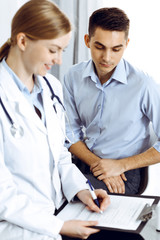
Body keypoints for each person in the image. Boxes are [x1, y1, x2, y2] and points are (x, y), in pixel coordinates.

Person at [0, 1, 110, 240]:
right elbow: (2, 194)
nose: (59, 60)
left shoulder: (52, 87)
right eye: (53, 50)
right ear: (22, 41)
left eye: (63, 50)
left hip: (58, 210)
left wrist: (81, 189)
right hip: (15, 225)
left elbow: (59, 153)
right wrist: (57, 227)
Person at [63, 7, 160, 195]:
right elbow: (69, 132)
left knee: (67, 196)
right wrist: (99, 166)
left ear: (127, 44)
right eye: (99, 47)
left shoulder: (143, 84)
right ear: (87, 41)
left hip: (125, 173)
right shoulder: (72, 77)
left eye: (116, 49)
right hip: (85, 161)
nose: (107, 57)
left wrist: (120, 165)